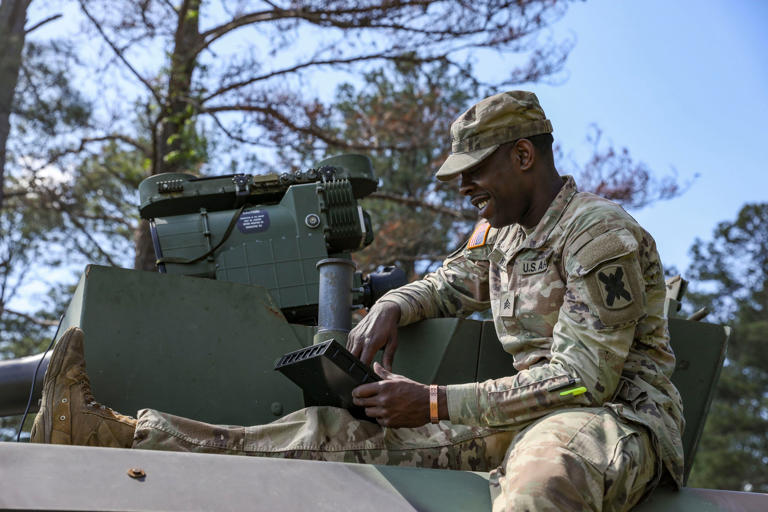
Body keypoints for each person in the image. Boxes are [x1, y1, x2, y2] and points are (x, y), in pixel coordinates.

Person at [31, 91, 684, 511]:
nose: (465, 189)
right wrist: (394, 304)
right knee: (331, 434)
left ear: (522, 156)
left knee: (544, 481)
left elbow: (581, 382)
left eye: (475, 172)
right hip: (515, 412)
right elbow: (452, 282)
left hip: (613, 418)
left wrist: (431, 402)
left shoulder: (600, 237)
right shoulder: (505, 232)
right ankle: (121, 435)